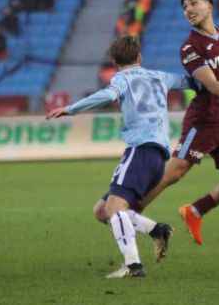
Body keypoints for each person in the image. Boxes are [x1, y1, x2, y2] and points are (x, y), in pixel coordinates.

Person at [47, 36, 189, 278]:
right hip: (158, 156)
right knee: (102, 211)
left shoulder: (121, 79)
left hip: (140, 150)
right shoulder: (160, 76)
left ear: (114, 61)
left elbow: (107, 95)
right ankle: (157, 231)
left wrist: (70, 109)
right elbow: (193, 81)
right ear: (140, 57)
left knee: (114, 207)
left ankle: (133, 266)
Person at [137, 0, 219, 246]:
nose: (188, 9)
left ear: (210, 6)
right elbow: (213, 84)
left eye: (193, 3)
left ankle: (195, 211)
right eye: (184, 7)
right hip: (202, 121)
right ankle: (128, 214)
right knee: (173, 173)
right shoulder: (190, 48)